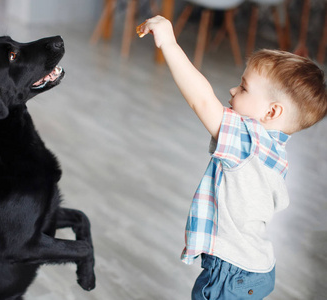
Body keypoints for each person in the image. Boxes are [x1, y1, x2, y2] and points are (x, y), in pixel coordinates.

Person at [137, 15, 327, 299]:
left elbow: (201, 100)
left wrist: (170, 43)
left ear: (272, 113)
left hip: (230, 274)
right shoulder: (275, 150)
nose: (232, 90)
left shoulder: (249, 140)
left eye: (244, 87)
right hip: (255, 267)